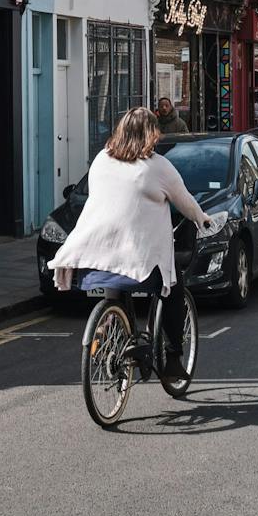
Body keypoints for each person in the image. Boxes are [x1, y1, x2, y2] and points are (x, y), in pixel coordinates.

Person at [49, 107, 218, 349]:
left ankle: (108, 326)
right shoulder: (158, 166)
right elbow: (185, 202)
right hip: (139, 257)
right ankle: (172, 355)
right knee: (173, 287)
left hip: (96, 251)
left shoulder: (101, 160)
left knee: (115, 282)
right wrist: (202, 219)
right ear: (151, 133)